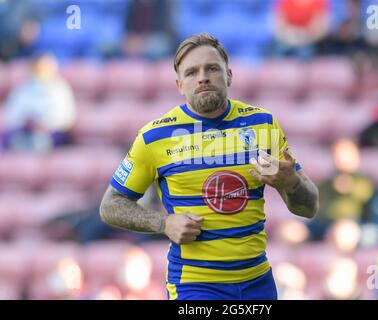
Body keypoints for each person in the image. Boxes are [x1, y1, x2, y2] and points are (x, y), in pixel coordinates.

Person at [99, 32, 319, 300]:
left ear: (229, 75)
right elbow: (110, 205)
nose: (203, 77)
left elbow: (308, 207)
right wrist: (163, 223)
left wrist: (292, 183)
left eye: (212, 68)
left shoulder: (263, 125)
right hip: (196, 286)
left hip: (258, 282)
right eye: (192, 73)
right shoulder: (154, 138)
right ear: (180, 85)